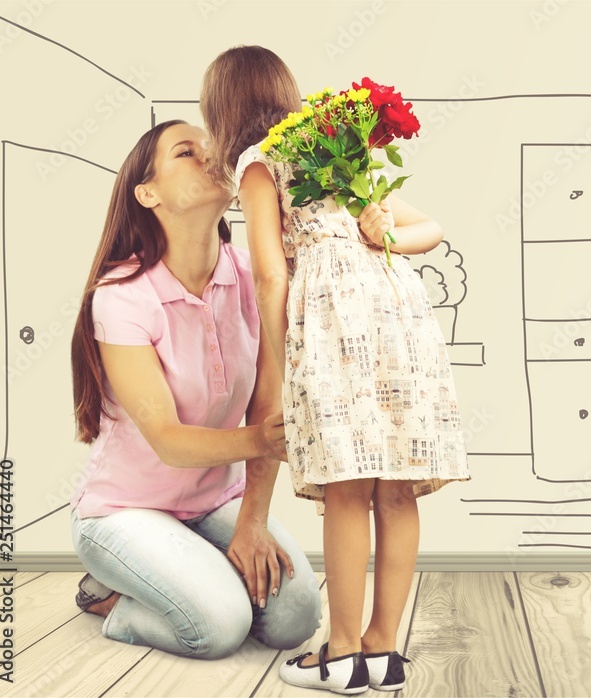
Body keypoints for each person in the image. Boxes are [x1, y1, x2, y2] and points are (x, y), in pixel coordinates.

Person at [200, 46, 471, 693]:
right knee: (397, 486)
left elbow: (269, 271)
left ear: (225, 107)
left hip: (332, 320)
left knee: (348, 485)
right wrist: (379, 237)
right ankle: (383, 650)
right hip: (399, 311)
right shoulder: (339, 152)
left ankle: (343, 654)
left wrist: (286, 351)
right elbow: (429, 229)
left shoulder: (258, 161)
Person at [68, 119, 322, 659]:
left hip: (215, 500)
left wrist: (252, 522)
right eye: (187, 151)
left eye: (215, 147)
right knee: (218, 627)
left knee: (295, 618)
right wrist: (266, 439)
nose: (211, 157)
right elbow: (168, 439)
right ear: (148, 193)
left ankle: (187, 577)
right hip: (124, 511)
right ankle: (111, 599)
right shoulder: (122, 296)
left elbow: (267, 407)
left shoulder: (258, 277)